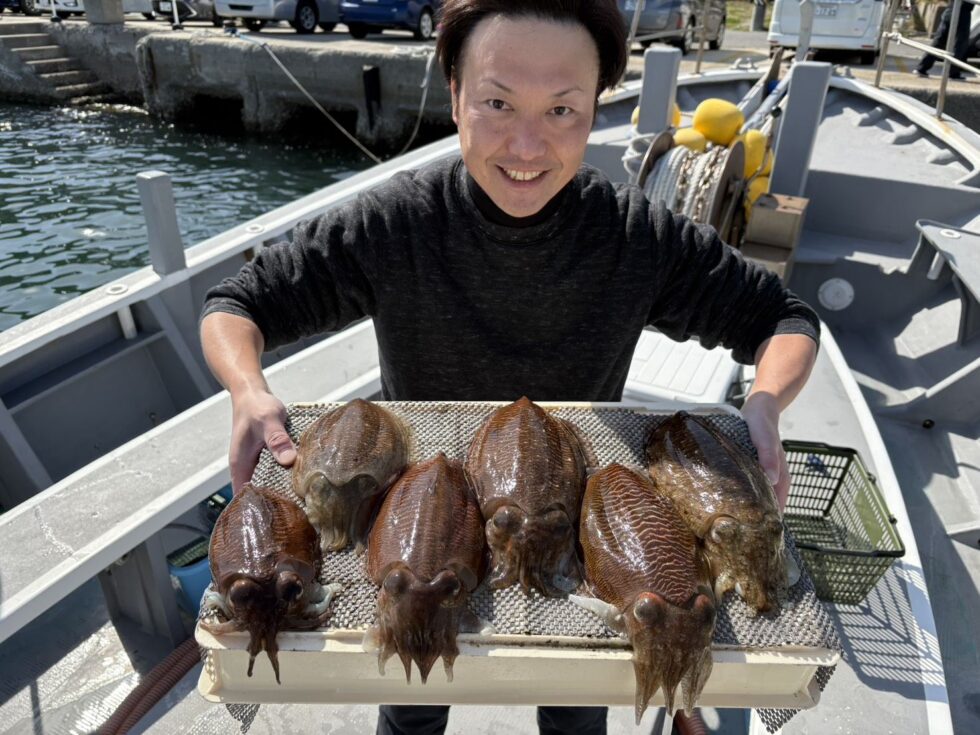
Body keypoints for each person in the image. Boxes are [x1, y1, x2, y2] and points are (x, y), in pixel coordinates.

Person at [199, 1, 820, 732]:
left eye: (562, 110)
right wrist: (247, 389)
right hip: (414, 509)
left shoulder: (636, 238)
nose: (528, 144)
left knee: (578, 703)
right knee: (411, 698)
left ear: (596, 109)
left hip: (581, 516)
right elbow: (238, 303)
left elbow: (783, 319)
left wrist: (767, 403)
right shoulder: (393, 224)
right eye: (497, 103)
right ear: (455, 92)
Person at [913, 1, 975, 79]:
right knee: (960, 44)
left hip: (950, 9)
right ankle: (952, 72)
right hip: (963, 11)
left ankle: (921, 68)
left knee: (939, 41)